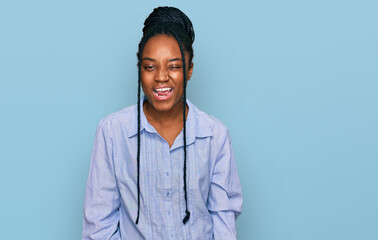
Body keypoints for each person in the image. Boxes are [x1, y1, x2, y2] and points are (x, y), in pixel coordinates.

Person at [82, 6, 242, 240]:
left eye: (174, 66)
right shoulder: (112, 132)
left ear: (189, 70)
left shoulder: (214, 135)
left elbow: (223, 222)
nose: (161, 77)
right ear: (140, 70)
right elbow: (99, 225)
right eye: (150, 66)